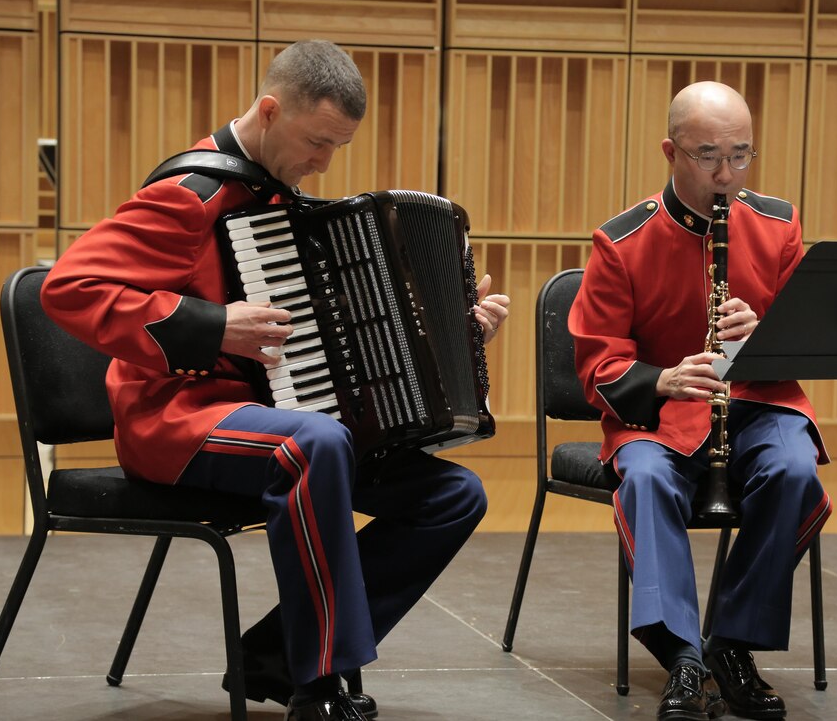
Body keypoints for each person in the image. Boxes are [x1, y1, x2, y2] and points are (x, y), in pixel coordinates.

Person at [41, 40, 510, 721]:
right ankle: (317, 684)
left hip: (266, 417)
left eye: (336, 148)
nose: (323, 163)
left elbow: (343, 328)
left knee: (453, 495)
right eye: (317, 142)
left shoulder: (278, 197)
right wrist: (211, 325)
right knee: (313, 444)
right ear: (269, 109)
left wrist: (452, 333)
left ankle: (273, 657)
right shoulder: (188, 194)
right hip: (176, 421)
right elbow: (69, 287)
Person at [568, 81, 832, 721]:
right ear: (671, 151)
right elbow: (596, 363)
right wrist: (659, 378)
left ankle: (733, 645)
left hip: (759, 404)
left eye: (741, 155)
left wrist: (761, 331)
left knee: (794, 470)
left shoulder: (777, 224)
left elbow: (812, 337)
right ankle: (683, 657)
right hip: (657, 418)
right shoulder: (622, 242)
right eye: (708, 155)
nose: (726, 174)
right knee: (648, 479)